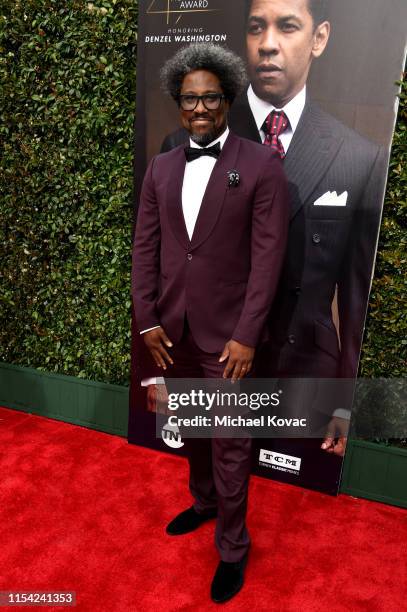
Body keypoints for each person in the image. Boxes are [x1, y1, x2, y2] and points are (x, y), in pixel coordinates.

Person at [161, 0, 387, 465]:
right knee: (211, 468)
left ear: (319, 38)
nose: (268, 45)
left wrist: (344, 398)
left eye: (287, 27)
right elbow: (169, 264)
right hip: (214, 362)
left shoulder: (358, 157)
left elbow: (355, 298)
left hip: (303, 378)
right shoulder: (186, 144)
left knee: (293, 514)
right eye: (255, 28)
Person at [132, 44, 289, 603]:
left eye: (211, 98)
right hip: (173, 332)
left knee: (230, 444)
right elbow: (145, 248)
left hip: (229, 340)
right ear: (180, 104)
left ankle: (232, 549)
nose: (200, 108)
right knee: (194, 434)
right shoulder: (162, 165)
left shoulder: (262, 164)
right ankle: (203, 503)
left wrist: (247, 334)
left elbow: (268, 259)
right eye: (190, 99)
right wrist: (147, 318)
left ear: (227, 100)